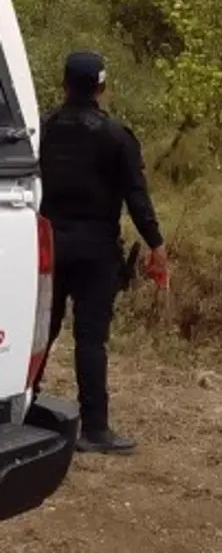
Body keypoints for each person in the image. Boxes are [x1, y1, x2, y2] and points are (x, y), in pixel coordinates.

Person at [36, 51, 168, 455]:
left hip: (50, 244)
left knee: (42, 331)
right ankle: (95, 429)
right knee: (91, 339)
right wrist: (156, 244)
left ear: (64, 84)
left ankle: (20, 407)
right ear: (101, 87)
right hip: (96, 252)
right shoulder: (115, 136)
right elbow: (136, 196)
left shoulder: (44, 130)